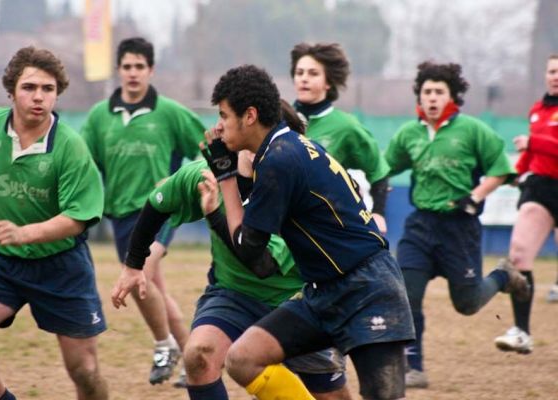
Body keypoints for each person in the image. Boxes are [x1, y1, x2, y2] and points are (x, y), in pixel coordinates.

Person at [196, 64, 415, 400]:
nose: (219, 126)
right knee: (242, 359)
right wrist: (230, 174)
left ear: (250, 115)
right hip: (322, 294)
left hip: (369, 290)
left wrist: (224, 176)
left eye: (224, 115)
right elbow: (257, 254)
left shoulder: (280, 160)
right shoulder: (283, 150)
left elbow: (249, 249)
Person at [111, 101, 353, 400]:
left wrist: (214, 215)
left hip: (297, 301)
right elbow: (158, 203)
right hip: (233, 295)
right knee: (198, 355)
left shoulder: (293, 191)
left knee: (331, 396)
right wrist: (133, 265)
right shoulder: (205, 175)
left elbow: (261, 264)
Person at [0, 47, 108, 400]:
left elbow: (76, 218)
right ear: (11, 90)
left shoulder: (71, 147)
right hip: (1, 260)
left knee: (85, 372)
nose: (39, 97)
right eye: (29, 87)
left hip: (61, 265)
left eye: (48, 89)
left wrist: (23, 233)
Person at [383, 61, 530, 389]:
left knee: (467, 303)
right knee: (406, 294)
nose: (432, 98)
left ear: (452, 96)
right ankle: (414, 367)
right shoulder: (409, 133)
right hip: (420, 225)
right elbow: (384, 167)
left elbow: (501, 168)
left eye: (438, 92)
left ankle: (504, 275)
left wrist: (476, 195)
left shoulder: (473, 130)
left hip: (459, 227)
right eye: (426, 92)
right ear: (419, 97)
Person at [81, 37, 205, 385]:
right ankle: (194, 360)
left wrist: (184, 180)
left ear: (151, 70)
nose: (133, 73)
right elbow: (87, 166)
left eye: (140, 66)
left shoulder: (169, 112)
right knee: (151, 289)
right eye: (127, 66)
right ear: (118, 70)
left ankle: (164, 345)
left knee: (142, 274)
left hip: (160, 209)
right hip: (120, 214)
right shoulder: (98, 117)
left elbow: (206, 146)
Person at [494, 54, 558, 352]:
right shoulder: (537, 109)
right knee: (518, 256)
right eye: (552, 71)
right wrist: (515, 173)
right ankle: (521, 331)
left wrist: (533, 144)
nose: (555, 76)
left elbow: (538, 145)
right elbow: (533, 155)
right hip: (542, 188)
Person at [290, 42, 390, 233]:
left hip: (326, 226)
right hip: (285, 224)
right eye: (299, 72)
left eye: (313, 73)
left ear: (328, 82)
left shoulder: (347, 126)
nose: (304, 78)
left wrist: (378, 213)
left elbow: (378, 172)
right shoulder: (280, 120)